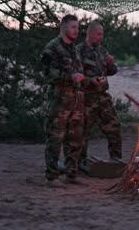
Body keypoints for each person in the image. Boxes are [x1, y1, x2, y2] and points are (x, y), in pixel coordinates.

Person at [41, 14, 87, 187]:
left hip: (75, 102)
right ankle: (52, 177)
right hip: (59, 101)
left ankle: (71, 174)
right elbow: (47, 73)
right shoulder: (52, 48)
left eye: (78, 27)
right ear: (63, 27)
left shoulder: (74, 49)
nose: (77, 30)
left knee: (75, 139)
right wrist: (70, 77)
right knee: (55, 138)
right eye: (73, 27)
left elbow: (79, 72)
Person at [77, 21, 122, 161]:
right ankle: (79, 162)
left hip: (102, 96)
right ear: (89, 33)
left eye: (102, 34)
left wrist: (110, 63)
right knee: (82, 131)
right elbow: (75, 74)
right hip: (86, 97)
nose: (101, 37)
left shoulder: (102, 50)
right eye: (98, 34)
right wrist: (91, 80)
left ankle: (116, 161)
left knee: (114, 126)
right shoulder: (78, 51)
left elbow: (112, 71)